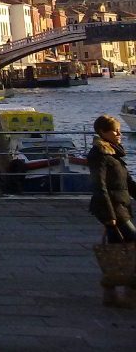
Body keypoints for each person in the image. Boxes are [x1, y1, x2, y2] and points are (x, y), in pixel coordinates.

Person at [87, 115, 136, 308]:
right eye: (115, 130)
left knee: (117, 252)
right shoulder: (99, 153)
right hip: (113, 208)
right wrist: (109, 216)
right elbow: (100, 187)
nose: (120, 134)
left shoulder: (114, 152)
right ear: (102, 132)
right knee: (132, 243)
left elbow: (127, 183)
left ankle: (112, 292)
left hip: (121, 205)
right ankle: (130, 292)